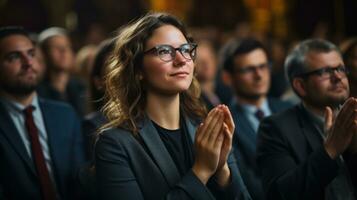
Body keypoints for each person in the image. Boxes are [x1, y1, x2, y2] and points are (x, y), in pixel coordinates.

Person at [95, 13, 245, 200]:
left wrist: (222, 170)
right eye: (165, 51)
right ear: (138, 69)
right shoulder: (115, 144)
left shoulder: (207, 129)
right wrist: (202, 171)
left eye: (185, 49)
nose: (181, 60)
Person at [256, 38, 357, 200]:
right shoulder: (275, 128)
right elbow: (280, 195)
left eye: (340, 68)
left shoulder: (354, 118)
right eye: (325, 71)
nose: (338, 77)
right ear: (300, 86)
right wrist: (330, 150)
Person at [0, 26, 85, 200]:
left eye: (31, 54)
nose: (28, 63)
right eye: (14, 56)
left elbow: (80, 180)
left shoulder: (65, 115)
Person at [221, 38, 292, 200]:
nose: (259, 75)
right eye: (248, 70)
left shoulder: (289, 108)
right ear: (227, 78)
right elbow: (245, 182)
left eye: (263, 66)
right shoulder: (226, 123)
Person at [37, 27, 86, 117]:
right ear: (43, 53)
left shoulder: (82, 88)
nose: (64, 51)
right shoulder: (37, 93)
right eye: (56, 47)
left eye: (67, 46)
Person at [195, 40, 221, 110]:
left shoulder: (226, 93)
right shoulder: (193, 100)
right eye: (200, 61)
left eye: (210, 57)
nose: (207, 64)